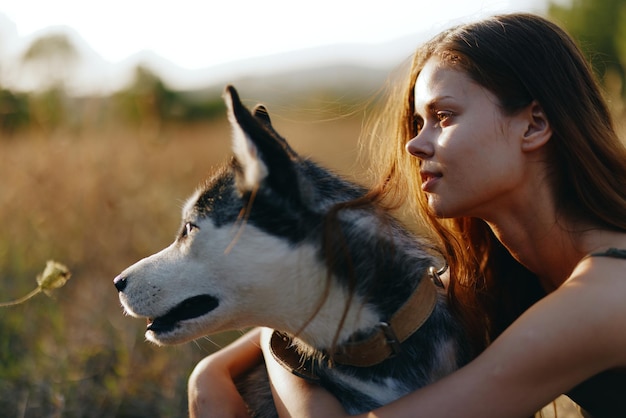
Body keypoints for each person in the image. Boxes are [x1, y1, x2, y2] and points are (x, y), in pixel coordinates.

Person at [188, 13, 626, 418]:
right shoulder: (501, 271)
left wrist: (274, 339)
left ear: (533, 125)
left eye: (443, 116)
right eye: (417, 123)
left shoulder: (605, 292)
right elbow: (355, 316)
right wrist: (211, 370)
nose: (415, 145)